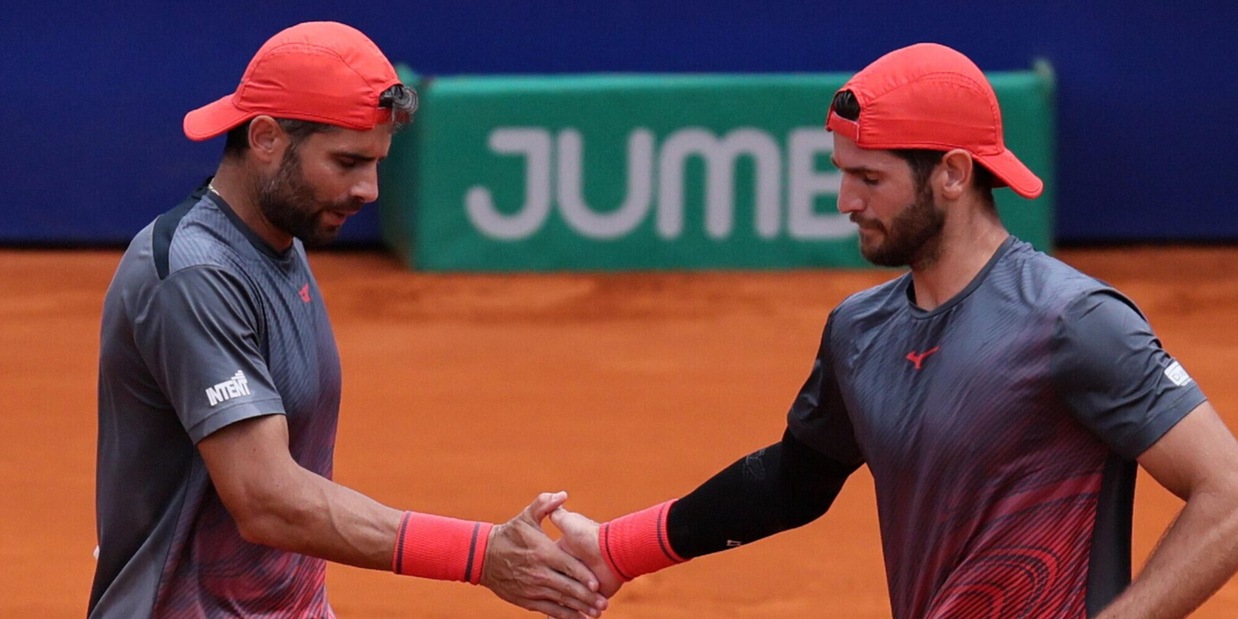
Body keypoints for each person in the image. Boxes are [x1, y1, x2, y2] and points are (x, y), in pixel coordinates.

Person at [549, 42, 1238, 618]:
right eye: (842, 174)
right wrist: (616, 550)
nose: (845, 201)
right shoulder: (858, 331)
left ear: (953, 174)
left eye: (870, 179)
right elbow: (793, 480)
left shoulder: (1074, 320)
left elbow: (1229, 495)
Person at [89, 21, 607, 619]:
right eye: (347, 161)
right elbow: (266, 499)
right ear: (265, 138)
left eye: (377, 163)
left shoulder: (280, 240)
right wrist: (480, 554)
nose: (369, 189)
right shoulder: (197, 273)